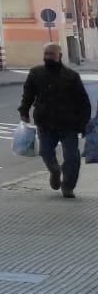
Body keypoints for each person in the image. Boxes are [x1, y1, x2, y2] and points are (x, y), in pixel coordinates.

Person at [19, 42, 92, 198]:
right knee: (45, 151)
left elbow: (83, 102)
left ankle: (68, 186)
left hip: (68, 123)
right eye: (45, 54)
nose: (47, 57)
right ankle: (54, 170)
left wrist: (84, 123)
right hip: (45, 121)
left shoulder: (71, 76)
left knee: (72, 156)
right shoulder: (36, 73)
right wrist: (24, 110)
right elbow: (28, 94)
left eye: (51, 54)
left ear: (59, 56)